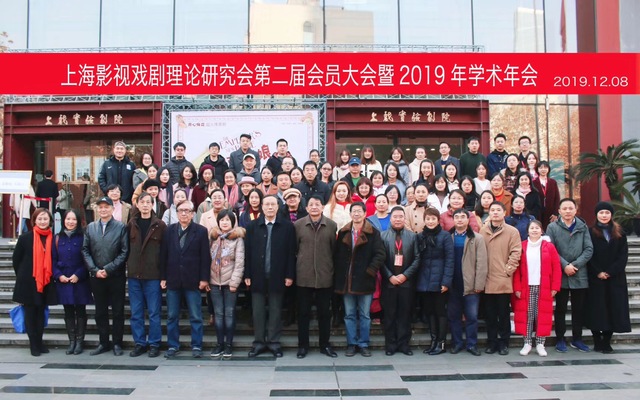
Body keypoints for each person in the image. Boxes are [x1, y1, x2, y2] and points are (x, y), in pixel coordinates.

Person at [245, 195, 296, 358]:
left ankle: (274, 342)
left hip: (278, 275)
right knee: (258, 311)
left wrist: (289, 275)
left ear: (278, 207)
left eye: (273, 204)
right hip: (257, 275)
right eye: (266, 204)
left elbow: (291, 253)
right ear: (262, 206)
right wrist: (247, 274)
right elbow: (247, 252)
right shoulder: (252, 226)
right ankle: (259, 342)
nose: (270, 207)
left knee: (275, 310)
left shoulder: (287, 227)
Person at [160, 200, 211, 359]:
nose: (184, 213)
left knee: (195, 316)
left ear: (192, 213)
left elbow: (205, 257)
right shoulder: (169, 230)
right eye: (181, 210)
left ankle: (197, 345)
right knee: (172, 316)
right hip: (173, 279)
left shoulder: (201, 231)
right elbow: (163, 255)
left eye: (187, 211)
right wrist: (163, 277)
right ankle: (173, 345)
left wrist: (204, 278)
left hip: (193, 279)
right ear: (176, 213)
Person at [334, 202, 386, 357]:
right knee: (349, 314)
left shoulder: (373, 233)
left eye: (359, 211)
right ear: (350, 214)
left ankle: (363, 343)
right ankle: (351, 343)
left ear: (365, 214)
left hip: (365, 280)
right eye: (354, 211)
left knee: (364, 315)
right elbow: (337, 255)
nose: (356, 214)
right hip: (347, 281)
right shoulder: (343, 232)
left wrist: (370, 270)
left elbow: (380, 254)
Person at [82, 196, 129, 356]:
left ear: (112, 209)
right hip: (96, 276)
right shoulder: (91, 227)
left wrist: (108, 269)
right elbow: (85, 250)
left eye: (106, 207)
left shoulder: (121, 227)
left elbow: (124, 252)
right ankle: (103, 342)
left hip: (115, 276)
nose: (103, 210)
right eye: (100, 207)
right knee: (100, 311)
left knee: (117, 311)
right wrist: (95, 269)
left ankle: (117, 343)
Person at [546, 198, 594, 353]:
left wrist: (575, 265)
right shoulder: (552, 227)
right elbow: (550, 248)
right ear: (559, 211)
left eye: (570, 208)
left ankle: (577, 339)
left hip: (579, 274)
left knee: (578, 309)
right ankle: (560, 339)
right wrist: (565, 265)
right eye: (564, 208)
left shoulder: (583, 227)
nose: (567, 211)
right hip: (560, 274)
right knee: (560, 309)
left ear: (575, 210)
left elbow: (588, 249)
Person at [294, 195, 338, 359]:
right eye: (311, 204)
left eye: (317, 204)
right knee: (303, 313)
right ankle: (303, 346)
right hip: (303, 276)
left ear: (322, 207)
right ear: (306, 208)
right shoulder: (298, 225)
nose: (314, 207)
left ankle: (324, 345)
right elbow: (295, 248)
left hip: (325, 276)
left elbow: (334, 250)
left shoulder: (331, 225)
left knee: (324, 314)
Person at [586, 202, 631, 353]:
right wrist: (598, 271)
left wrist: (610, 272)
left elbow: (623, 256)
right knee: (596, 309)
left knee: (613, 308)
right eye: (601, 212)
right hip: (595, 277)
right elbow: (588, 253)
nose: (604, 215)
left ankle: (606, 341)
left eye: (607, 212)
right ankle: (597, 340)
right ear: (596, 214)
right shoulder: (590, 232)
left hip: (615, 278)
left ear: (611, 215)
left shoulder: (620, 232)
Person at [126, 192, 167, 358]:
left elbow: (164, 252)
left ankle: (154, 343)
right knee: (136, 312)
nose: (144, 205)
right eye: (142, 202)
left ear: (152, 204)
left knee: (154, 312)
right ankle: (140, 343)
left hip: (153, 275)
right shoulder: (131, 224)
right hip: (134, 275)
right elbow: (126, 248)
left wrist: (163, 275)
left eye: (148, 202)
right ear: (137, 204)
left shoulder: (160, 225)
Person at [12, 208, 58, 356]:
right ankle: (33, 344)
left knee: (41, 313)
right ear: (34, 220)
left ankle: (39, 341)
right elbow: (16, 259)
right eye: (40, 219)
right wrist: (23, 275)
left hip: (46, 281)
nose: (43, 221)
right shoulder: (25, 238)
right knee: (30, 313)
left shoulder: (53, 238)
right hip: (28, 282)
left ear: (50, 221)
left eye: (45, 219)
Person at [513, 220, 562, 357]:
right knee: (528, 315)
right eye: (532, 228)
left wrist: (555, 286)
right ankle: (527, 342)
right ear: (527, 231)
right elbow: (516, 270)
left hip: (544, 286)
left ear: (542, 231)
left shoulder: (549, 247)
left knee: (542, 315)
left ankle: (540, 343)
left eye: (537, 228)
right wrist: (517, 287)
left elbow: (556, 267)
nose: (534, 230)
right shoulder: (522, 246)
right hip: (526, 286)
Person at [479, 201, 522, 355]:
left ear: (504, 213)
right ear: (489, 213)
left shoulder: (512, 231)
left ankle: (504, 343)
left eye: (498, 210)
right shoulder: (482, 231)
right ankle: (492, 342)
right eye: (493, 210)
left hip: (503, 278)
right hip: (486, 278)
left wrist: (508, 270)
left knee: (503, 314)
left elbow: (516, 252)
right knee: (490, 315)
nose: (495, 212)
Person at [380, 207, 421, 356]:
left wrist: (405, 275)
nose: (398, 219)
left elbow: (417, 258)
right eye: (395, 217)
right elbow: (380, 259)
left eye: (400, 217)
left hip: (407, 282)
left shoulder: (412, 236)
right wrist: (390, 276)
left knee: (405, 314)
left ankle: (404, 345)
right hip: (389, 282)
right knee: (389, 315)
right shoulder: (382, 236)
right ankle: (390, 345)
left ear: (404, 218)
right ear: (390, 219)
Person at [448, 209, 488, 357]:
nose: (459, 219)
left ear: (468, 219)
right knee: (454, 317)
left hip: (470, 284)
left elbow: (482, 263)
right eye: (456, 217)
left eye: (462, 217)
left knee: (472, 317)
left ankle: (472, 344)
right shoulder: (448, 237)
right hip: (453, 284)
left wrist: (479, 284)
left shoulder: (477, 238)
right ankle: (457, 343)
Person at [53, 209, 92, 355]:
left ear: (78, 221)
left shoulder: (83, 237)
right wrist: (59, 275)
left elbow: (87, 258)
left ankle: (80, 342)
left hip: (80, 280)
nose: (70, 222)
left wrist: (79, 274)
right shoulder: (57, 238)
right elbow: (53, 260)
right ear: (63, 220)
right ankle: (72, 341)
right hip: (63, 280)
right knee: (68, 310)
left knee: (81, 310)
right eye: (68, 219)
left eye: (74, 219)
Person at [209, 209, 245, 359]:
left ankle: (229, 344)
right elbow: (207, 259)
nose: (224, 223)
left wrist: (234, 282)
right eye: (222, 220)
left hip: (230, 282)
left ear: (232, 222)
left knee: (229, 313)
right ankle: (219, 343)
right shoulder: (213, 237)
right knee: (218, 314)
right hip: (214, 282)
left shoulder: (237, 239)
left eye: (227, 220)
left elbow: (239, 262)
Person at [417, 207, 454, 355]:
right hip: (424, 280)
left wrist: (446, 281)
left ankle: (441, 342)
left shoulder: (445, 236)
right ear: (424, 220)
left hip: (440, 280)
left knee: (440, 312)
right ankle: (433, 341)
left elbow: (450, 260)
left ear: (438, 220)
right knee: (430, 312)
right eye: (428, 219)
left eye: (433, 219)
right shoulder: (420, 236)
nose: (430, 221)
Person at [533, 161, 560, 230]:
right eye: (541, 168)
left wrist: (555, 213)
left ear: (548, 169)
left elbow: (557, 198)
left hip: (550, 212)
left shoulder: (553, 182)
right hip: (538, 212)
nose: (543, 169)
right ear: (537, 169)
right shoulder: (533, 182)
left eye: (545, 167)